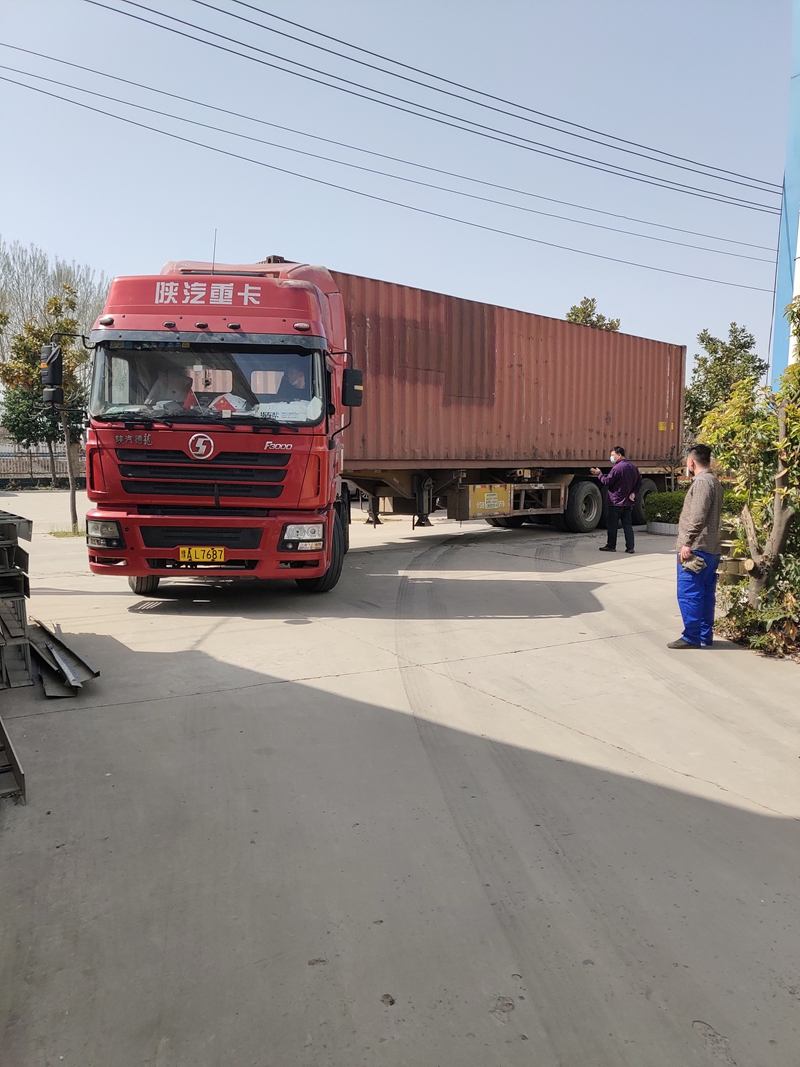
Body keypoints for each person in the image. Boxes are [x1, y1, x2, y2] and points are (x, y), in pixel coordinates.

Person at [667, 443, 723, 649]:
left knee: (689, 594)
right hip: (711, 549)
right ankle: (704, 636)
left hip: (697, 548)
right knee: (706, 595)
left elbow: (698, 516)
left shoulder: (701, 483)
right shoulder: (714, 481)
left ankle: (691, 637)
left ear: (691, 462)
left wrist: (687, 542)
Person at [590, 446, 642, 554]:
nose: (611, 458)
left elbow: (607, 481)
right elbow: (639, 482)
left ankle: (611, 545)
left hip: (616, 501)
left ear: (619, 455)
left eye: (613, 455)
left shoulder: (617, 468)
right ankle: (630, 547)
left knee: (612, 525)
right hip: (628, 502)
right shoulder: (633, 467)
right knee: (627, 525)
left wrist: (599, 474)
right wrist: (634, 493)